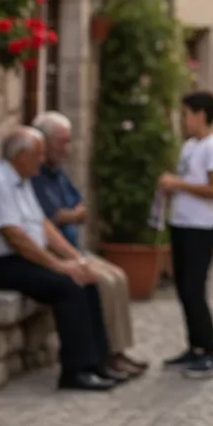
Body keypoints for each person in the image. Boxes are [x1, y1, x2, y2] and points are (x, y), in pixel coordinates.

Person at [0, 127, 124, 391]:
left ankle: (98, 362)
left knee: (86, 278)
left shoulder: (22, 179)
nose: (42, 159)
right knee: (68, 286)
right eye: (37, 154)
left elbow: (43, 227)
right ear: (21, 155)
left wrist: (77, 259)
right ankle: (76, 371)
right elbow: (15, 236)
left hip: (17, 260)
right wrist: (60, 266)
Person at [31, 111, 147, 378]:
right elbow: (53, 217)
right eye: (62, 142)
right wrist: (70, 215)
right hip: (58, 252)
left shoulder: (57, 173)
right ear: (45, 142)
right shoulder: (35, 177)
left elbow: (77, 207)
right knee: (103, 282)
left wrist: (67, 214)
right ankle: (105, 355)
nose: (67, 149)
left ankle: (118, 351)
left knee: (118, 277)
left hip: (75, 249)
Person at [157, 91, 213, 378]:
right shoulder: (189, 147)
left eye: (186, 114)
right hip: (181, 224)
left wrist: (178, 184)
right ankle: (194, 347)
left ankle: (210, 352)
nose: (183, 120)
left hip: (201, 228)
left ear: (201, 114)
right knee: (183, 289)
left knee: (195, 290)